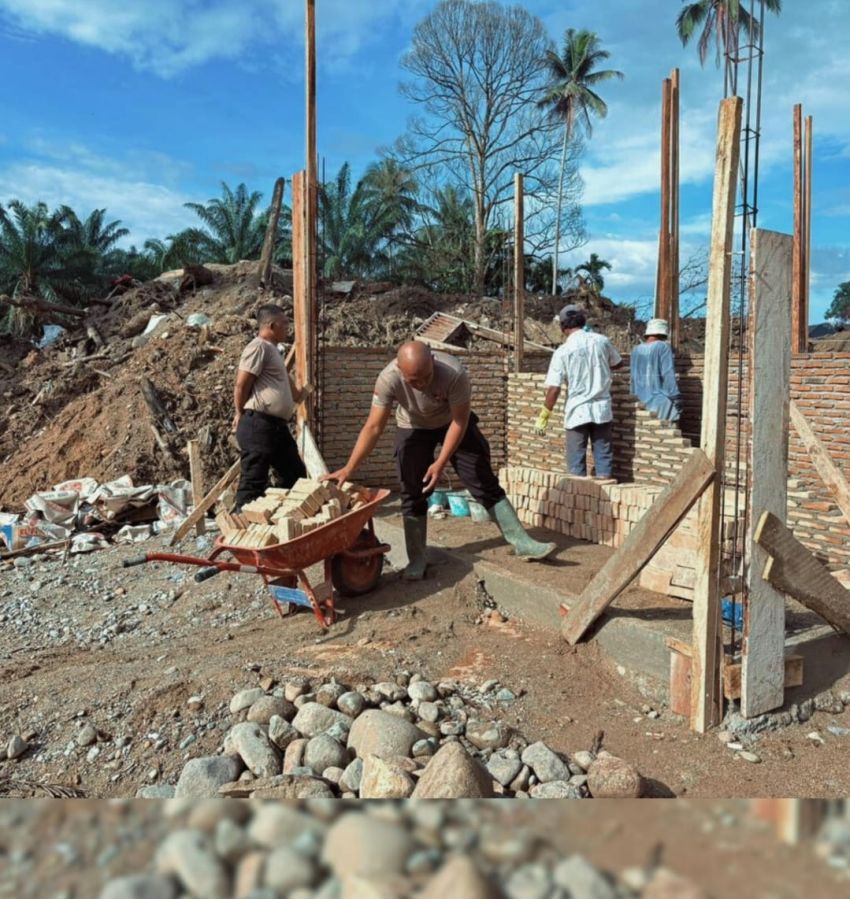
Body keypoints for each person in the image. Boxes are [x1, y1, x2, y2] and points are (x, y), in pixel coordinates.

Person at [324, 340, 556, 580]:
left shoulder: (454, 373)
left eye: (426, 376)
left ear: (433, 361)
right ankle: (417, 558)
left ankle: (522, 542)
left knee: (480, 479)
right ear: (400, 372)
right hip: (412, 427)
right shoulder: (387, 379)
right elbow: (373, 426)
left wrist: (440, 462)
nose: (422, 384)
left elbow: (459, 421)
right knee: (412, 490)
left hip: (452, 424)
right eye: (414, 381)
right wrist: (349, 468)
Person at [232, 304, 311, 510]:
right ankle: (244, 535)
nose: (288, 328)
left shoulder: (274, 351)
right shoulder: (258, 346)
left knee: (295, 476)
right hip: (259, 424)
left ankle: (285, 525)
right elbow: (241, 384)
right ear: (271, 325)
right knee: (253, 482)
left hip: (277, 427)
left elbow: (292, 392)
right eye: (285, 324)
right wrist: (239, 414)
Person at [534, 304, 623, 479]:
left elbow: (554, 388)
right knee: (603, 458)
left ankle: (578, 494)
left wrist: (544, 415)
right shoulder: (601, 341)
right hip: (601, 409)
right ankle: (604, 489)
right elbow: (619, 363)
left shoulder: (563, 352)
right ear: (583, 322)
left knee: (576, 462)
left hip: (577, 411)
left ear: (562, 327)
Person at [629, 318, 682, 422]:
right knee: (669, 431)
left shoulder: (636, 349)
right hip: (659, 401)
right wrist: (676, 396)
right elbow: (667, 373)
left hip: (639, 401)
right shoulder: (663, 347)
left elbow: (632, 376)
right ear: (663, 333)